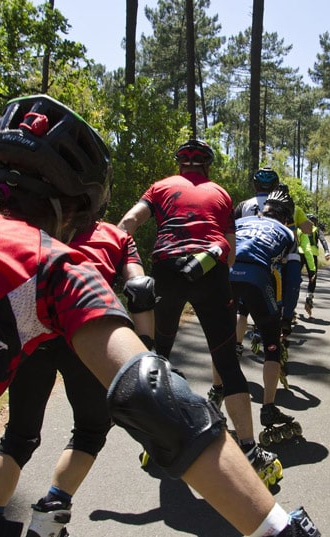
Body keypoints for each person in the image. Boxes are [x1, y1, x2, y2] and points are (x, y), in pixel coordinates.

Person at [0, 95, 320, 537]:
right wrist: (276, 527)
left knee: (18, 435)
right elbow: (149, 391)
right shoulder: (48, 260)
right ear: (71, 207)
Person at [116, 140, 283, 488]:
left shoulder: (160, 187)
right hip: (210, 270)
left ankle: (155, 442)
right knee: (225, 361)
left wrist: (120, 263)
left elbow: (130, 222)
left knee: (157, 357)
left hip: (166, 267)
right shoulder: (221, 193)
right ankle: (250, 451)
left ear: (180, 165)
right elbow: (232, 253)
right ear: (207, 166)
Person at [0, 220, 156, 537]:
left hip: (32, 330)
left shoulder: (34, 224)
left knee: (19, 435)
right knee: (91, 429)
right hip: (82, 331)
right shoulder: (116, 236)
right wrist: (147, 348)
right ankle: (48, 520)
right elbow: (140, 289)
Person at [225, 188, 303, 447]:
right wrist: (286, 318)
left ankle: (215, 395)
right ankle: (268, 408)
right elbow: (292, 280)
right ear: (286, 217)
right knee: (272, 344)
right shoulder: (288, 233)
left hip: (224, 278)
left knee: (221, 342)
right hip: (257, 280)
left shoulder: (240, 221)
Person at [234, 169, 313, 346]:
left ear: (254, 185)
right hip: (280, 259)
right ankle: (274, 342)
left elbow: (232, 232)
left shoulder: (244, 205)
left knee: (242, 310)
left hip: (241, 260)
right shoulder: (290, 208)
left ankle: (236, 348)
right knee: (274, 303)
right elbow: (308, 229)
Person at [303, 214, 330, 317]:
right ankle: (309, 296)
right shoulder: (316, 229)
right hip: (312, 254)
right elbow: (323, 240)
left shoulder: (301, 227)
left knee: (295, 276)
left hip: (300, 254)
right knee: (313, 276)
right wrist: (327, 251)